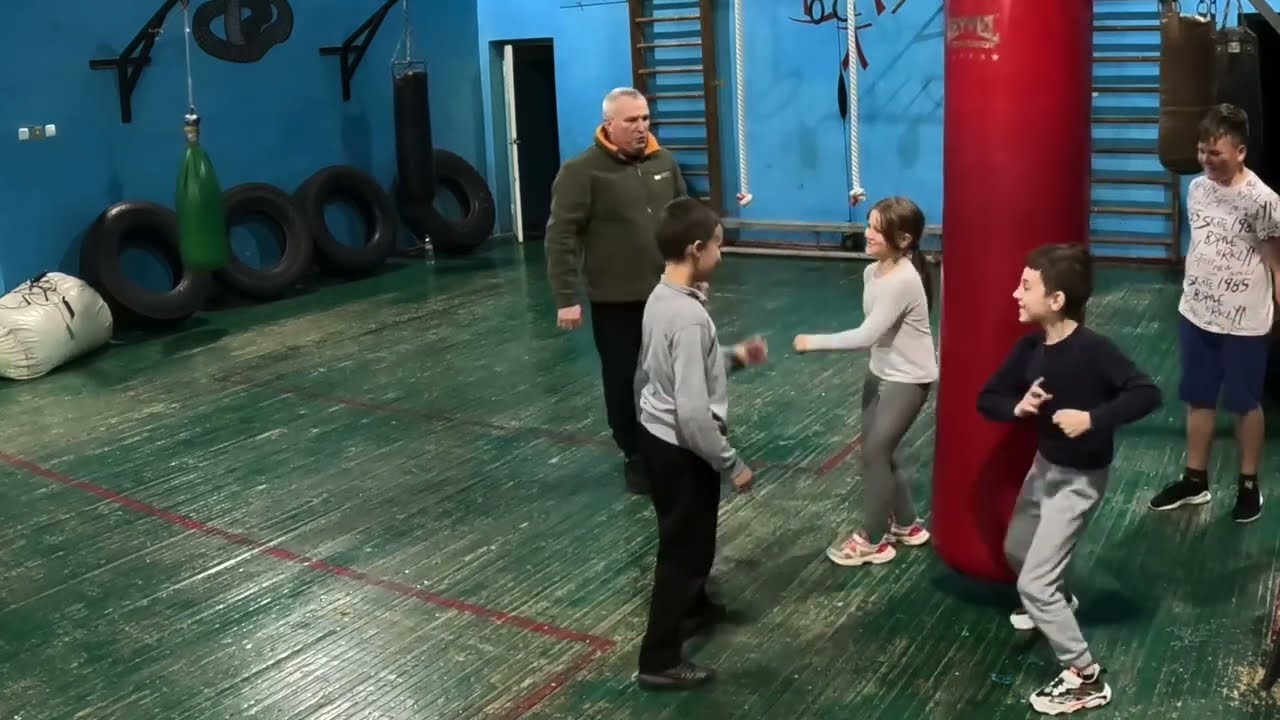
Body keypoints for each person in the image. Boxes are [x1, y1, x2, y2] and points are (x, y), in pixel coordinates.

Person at [977, 243, 1161, 715]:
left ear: (1056, 300)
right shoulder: (1030, 349)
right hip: (1044, 469)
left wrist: (1093, 419)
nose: (1015, 293)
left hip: (1080, 480)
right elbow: (988, 398)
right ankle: (1059, 602)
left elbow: (1147, 393)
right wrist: (1018, 407)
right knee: (1017, 550)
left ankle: (1085, 676)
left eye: (1026, 286)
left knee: (1034, 586)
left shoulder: (1095, 351)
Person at [633, 197, 765, 691]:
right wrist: (732, 463)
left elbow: (674, 368)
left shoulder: (662, 296)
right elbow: (692, 413)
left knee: (692, 541)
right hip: (683, 450)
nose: (720, 254)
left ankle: (694, 609)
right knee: (684, 554)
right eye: (716, 245)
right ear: (695, 249)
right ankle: (659, 659)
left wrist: (733, 357)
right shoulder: (688, 317)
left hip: (658, 436)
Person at [545, 87, 689, 495]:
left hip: (668, 294)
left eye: (645, 119)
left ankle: (674, 445)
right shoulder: (582, 171)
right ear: (608, 124)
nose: (641, 127)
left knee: (673, 374)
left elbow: (684, 220)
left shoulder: (664, 162)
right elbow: (562, 236)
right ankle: (635, 455)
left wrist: (696, 276)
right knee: (623, 379)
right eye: (631, 120)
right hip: (615, 300)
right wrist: (566, 298)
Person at [1148, 103, 1280, 523]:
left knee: (1244, 403)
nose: (1206, 159)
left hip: (1244, 321)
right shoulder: (1197, 189)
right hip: (1197, 313)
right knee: (1198, 397)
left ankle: (1248, 484)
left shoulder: (1264, 201)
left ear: (1240, 152)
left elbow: (1276, 263)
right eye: (1202, 150)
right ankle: (1195, 481)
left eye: (1215, 152)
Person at [792, 197, 937, 566]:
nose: (867, 233)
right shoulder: (871, 273)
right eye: (868, 225)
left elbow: (865, 336)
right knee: (879, 452)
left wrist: (813, 342)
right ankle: (907, 524)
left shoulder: (903, 280)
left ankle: (872, 540)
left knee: (875, 452)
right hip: (880, 372)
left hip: (908, 379)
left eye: (877, 229)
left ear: (903, 239)